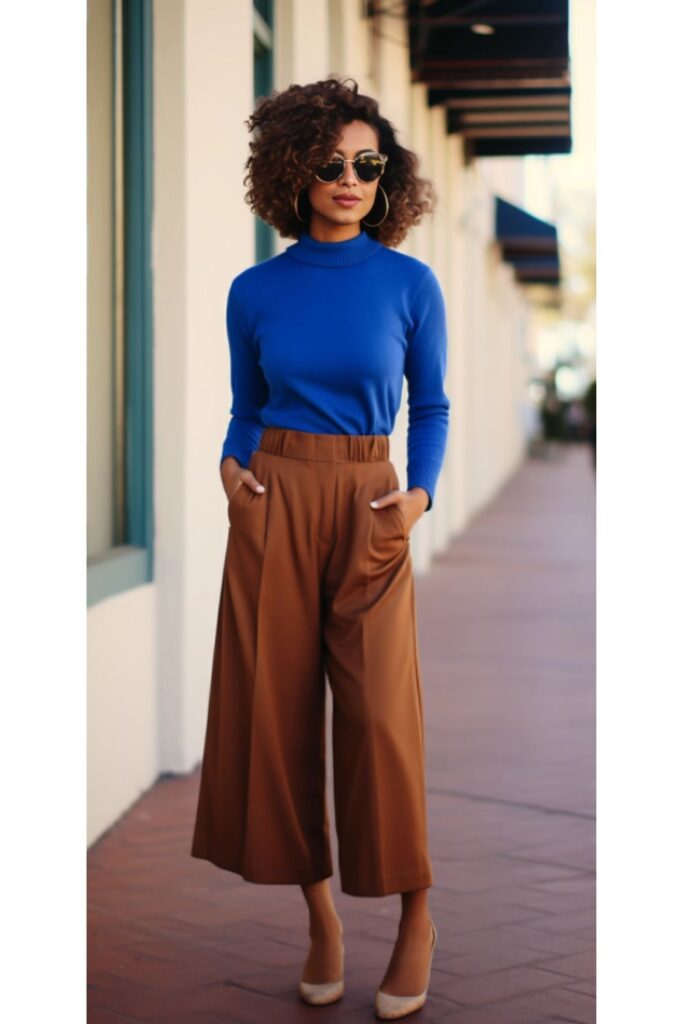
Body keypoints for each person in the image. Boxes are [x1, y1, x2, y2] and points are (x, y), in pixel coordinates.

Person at [190, 75, 448, 1020]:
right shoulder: (253, 290)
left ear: (388, 178)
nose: (350, 179)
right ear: (295, 170)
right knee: (277, 715)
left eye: (368, 164)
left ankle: (416, 915)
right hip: (274, 497)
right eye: (332, 163)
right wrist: (229, 466)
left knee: (382, 716)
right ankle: (321, 921)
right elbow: (246, 406)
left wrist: (415, 498)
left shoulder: (409, 282)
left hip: (371, 501)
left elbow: (434, 404)